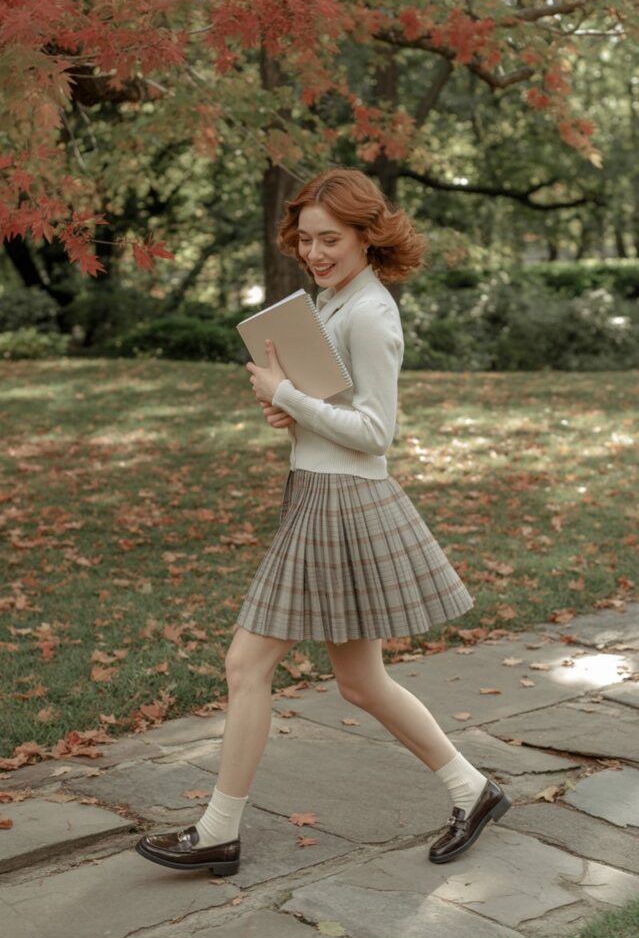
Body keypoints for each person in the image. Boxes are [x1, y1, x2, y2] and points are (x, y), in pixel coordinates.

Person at [135, 167, 511, 876]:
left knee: (246, 663)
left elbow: (376, 431)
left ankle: (219, 830)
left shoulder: (369, 312)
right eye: (305, 239)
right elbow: (336, 414)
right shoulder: (332, 301)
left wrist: (290, 397)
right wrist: (291, 409)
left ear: (369, 237)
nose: (314, 252)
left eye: (330, 239)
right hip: (320, 492)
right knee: (362, 683)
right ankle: (475, 789)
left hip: (341, 503)